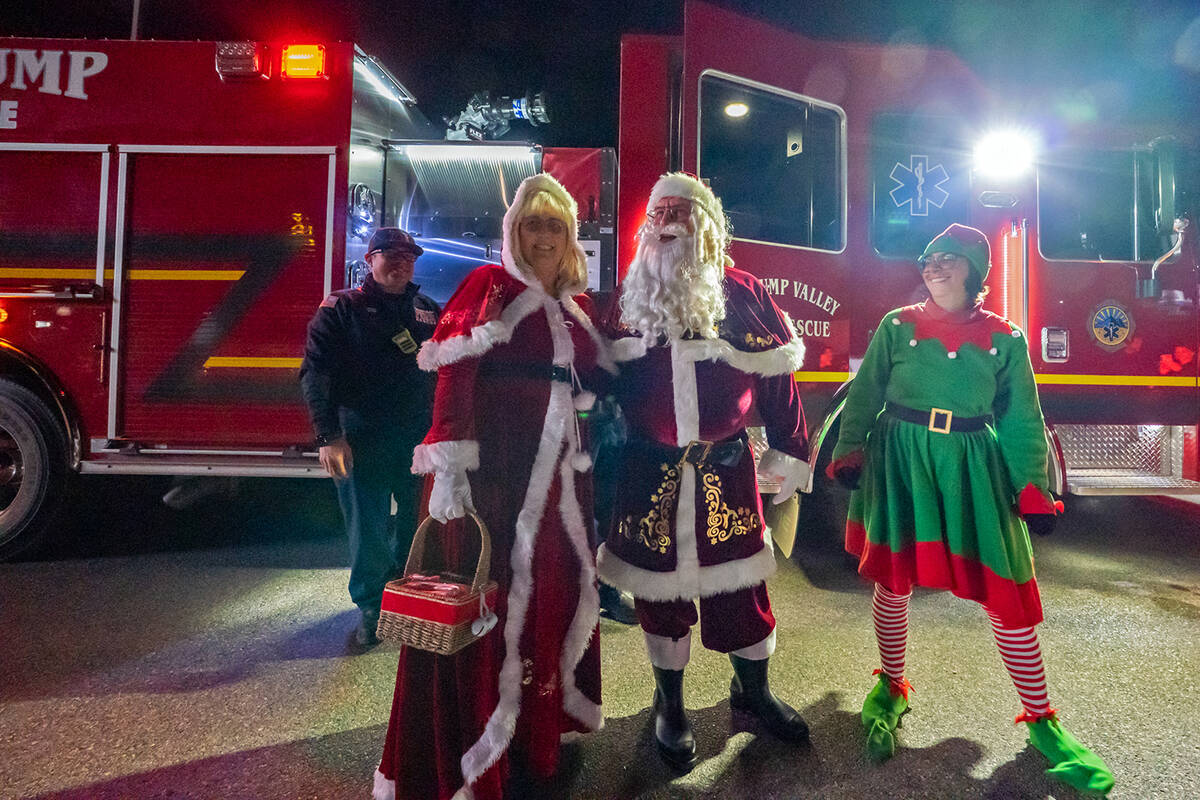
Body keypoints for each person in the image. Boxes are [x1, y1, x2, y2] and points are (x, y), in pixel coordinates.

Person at [826, 223, 1114, 795]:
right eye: (929, 259)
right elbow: (864, 392)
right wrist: (849, 447)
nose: (933, 267)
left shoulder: (1005, 339)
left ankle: (1042, 720)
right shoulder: (896, 326)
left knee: (1006, 589)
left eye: (948, 260)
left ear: (974, 271)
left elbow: (1021, 418)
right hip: (901, 456)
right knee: (892, 581)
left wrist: (1033, 487)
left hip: (971, 466)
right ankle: (890, 683)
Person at [374, 174, 609, 800]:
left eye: (555, 226)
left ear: (570, 237)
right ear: (513, 231)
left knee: (548, 602)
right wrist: (450, 469)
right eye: (532, 224)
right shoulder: (489, 286)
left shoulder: (572, 306)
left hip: (558, 485)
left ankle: (535, 734)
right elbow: (452, 373)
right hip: (494, 481)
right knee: (490, 608)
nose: (543, 237)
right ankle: (481, 754)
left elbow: (587, 386)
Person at [598, 172, 812, 772]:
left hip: (727, 472)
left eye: (680, 217)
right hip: (648, 474)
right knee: (659, 593)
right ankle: (670, 707)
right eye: (657, 218)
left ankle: (754, 694)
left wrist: (791, 449)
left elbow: (778, 380)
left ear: (707, 229)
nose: (666, 227)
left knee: (742, 587)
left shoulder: (743, 293)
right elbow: (597, 382)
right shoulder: (628, 300)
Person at [300, 227, 440, 649]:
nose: (400, 263)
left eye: (408, 257)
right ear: (369, 260)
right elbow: (315, 373)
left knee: (418, 524)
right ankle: (371, 607)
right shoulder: (341, 308)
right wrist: (328, 435)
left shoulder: (428, 310)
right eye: (389, 255)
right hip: (362, 438)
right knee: (368, 527)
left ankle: (406, 597)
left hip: (419, 439)